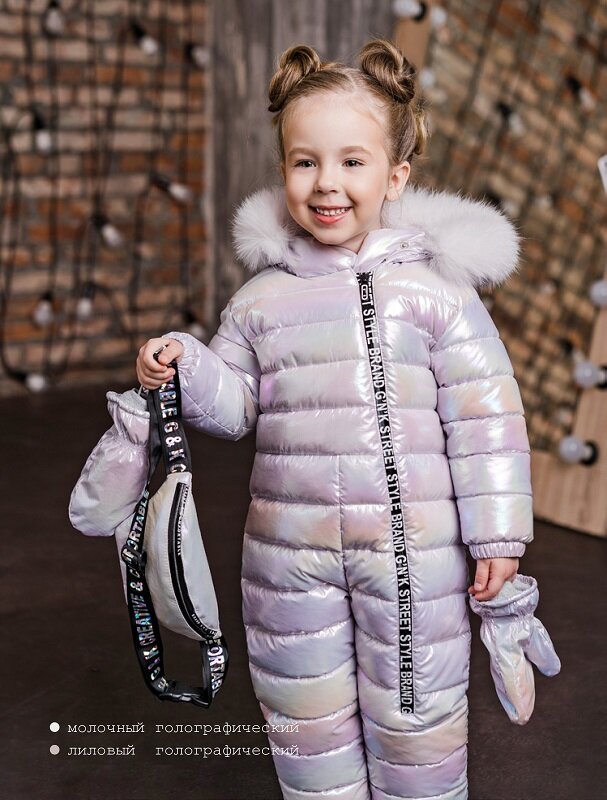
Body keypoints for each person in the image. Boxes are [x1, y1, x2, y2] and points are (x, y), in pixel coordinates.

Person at [134, 39, 534, 800]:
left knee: (417, 722)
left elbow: (487, 418)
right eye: (304, 162)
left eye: (352, 161)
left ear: (395, 176)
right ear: (283, 170)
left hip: (413, 561)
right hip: (288, 560)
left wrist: (498, 536)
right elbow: (234, 408)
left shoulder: (437, 293)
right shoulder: (260, 300)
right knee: (305, 721)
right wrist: (186, 363)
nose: (326, 183)